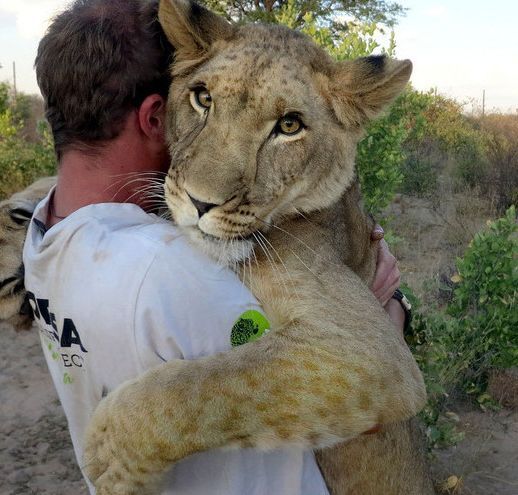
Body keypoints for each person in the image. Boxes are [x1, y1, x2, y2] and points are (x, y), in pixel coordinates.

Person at [23, 0, 407, 493]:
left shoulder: (49, 228)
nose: (209, 188)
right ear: (156, 113)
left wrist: (155, 414)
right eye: (202, 98)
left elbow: (375, 378)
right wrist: (389, 309)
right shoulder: (173, 275)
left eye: (287, 125)